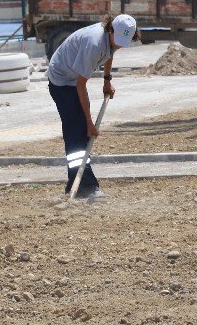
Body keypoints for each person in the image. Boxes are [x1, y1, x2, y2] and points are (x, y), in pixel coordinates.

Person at [47, 14, 138, 199]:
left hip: (73, 78)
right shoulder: (94, 43)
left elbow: (111, 51)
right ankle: (87, 186)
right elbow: (81, 85)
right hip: (62, 81)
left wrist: (107, 80)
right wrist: (89, 122)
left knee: (78, 134)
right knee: (77, 132)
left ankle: (75, 185)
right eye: (117, 39)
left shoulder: (110, 37)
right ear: (110, 29)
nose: (119, 45)